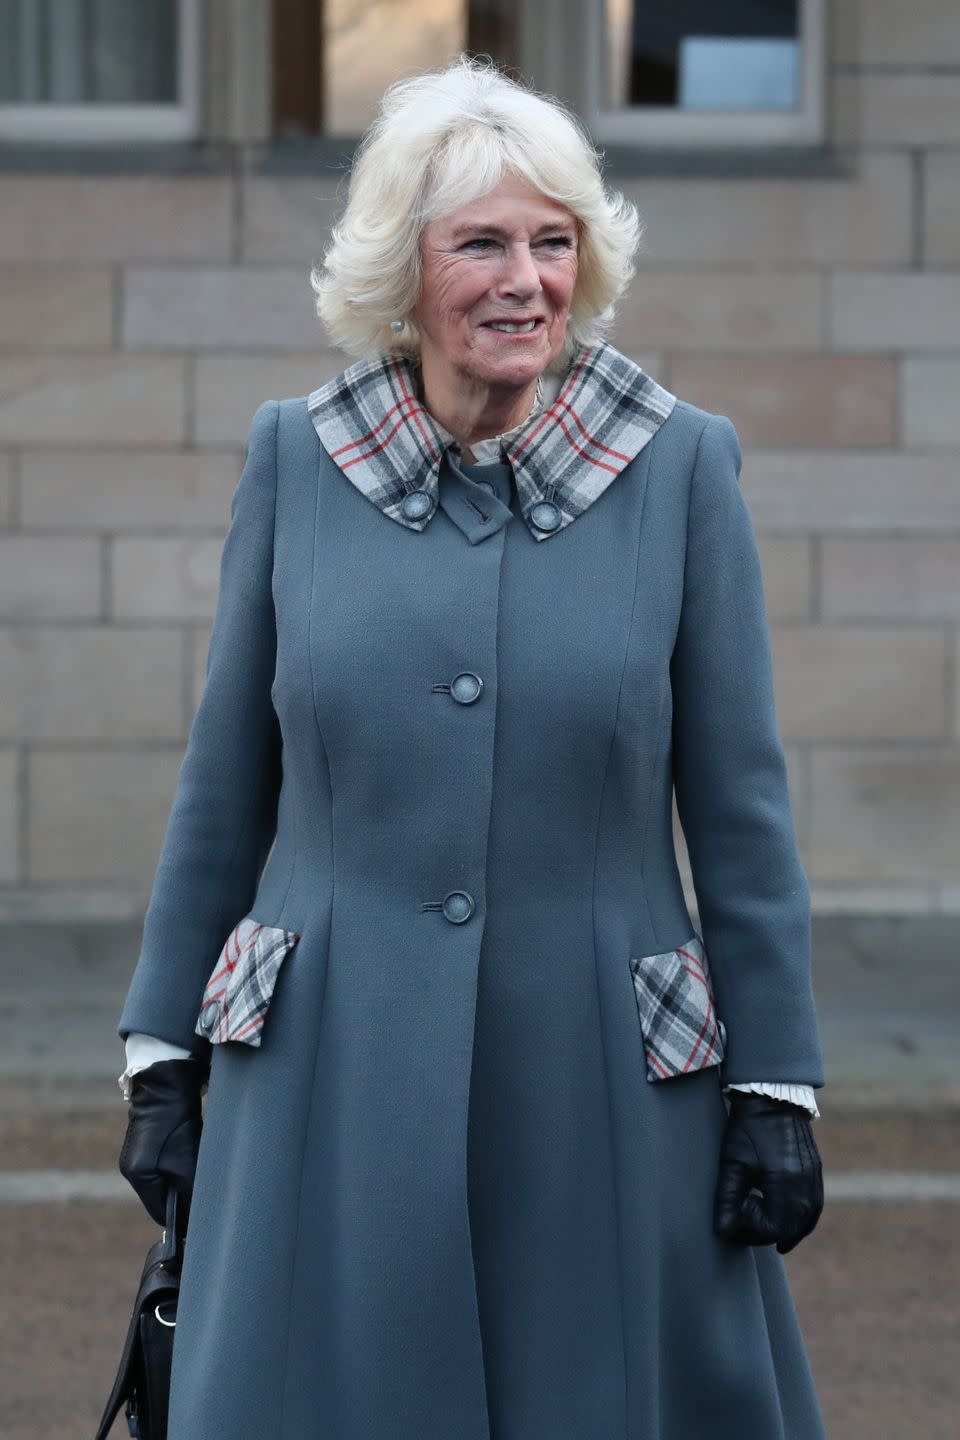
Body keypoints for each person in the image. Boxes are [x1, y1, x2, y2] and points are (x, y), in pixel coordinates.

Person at [116, 53, 827, 1440]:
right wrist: (159, 1051)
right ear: (406, 271)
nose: (525, 279)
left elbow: (741, 804)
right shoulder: (296, 461)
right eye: (482, 243)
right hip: (322, 1059)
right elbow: (225, 784)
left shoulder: (681, 467)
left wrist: (775, 1083)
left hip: (606, 1077)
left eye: (554, 242)